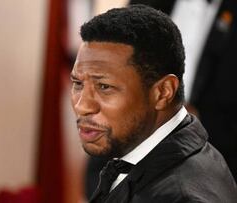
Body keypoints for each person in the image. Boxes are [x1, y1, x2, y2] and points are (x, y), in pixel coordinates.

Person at [70, 5, 237, 202]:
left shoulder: (183, 196)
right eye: (78, 83)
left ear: (163, 92)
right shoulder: (133, 156)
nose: (82, 106)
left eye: (104, 86)